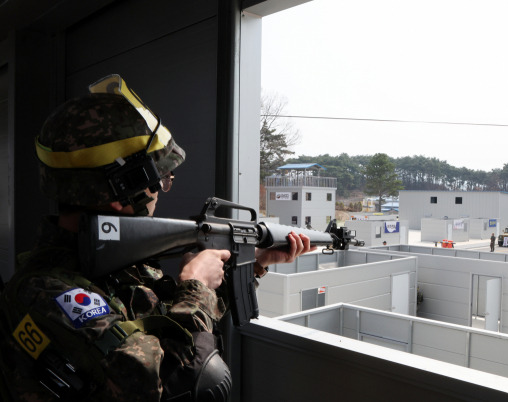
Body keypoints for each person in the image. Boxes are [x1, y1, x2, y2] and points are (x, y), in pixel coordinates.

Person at [0, 75, 315, 402]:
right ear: (123, 193)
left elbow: (175, 327)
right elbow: (183, 382)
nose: (164, 190)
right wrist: (197, 286)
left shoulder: (119, 265)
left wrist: (254, 264)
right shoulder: (43, 293)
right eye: (162, 179)